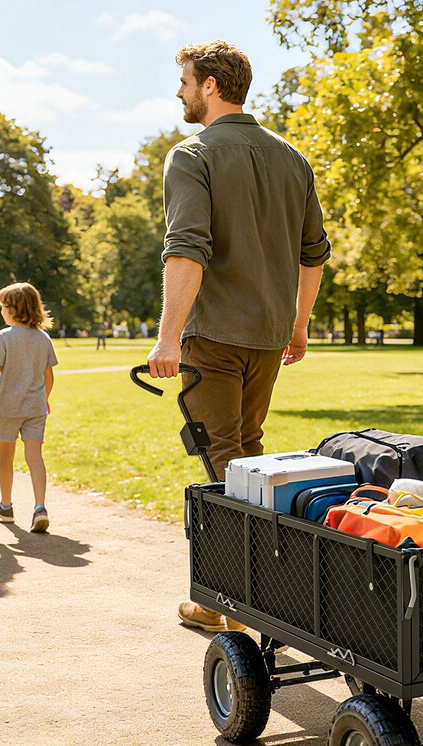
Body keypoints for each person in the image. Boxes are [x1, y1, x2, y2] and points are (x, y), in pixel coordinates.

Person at [147, 40, 331, 632]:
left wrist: (168, 337)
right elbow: (313, 254)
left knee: (224, 462)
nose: (178, 91)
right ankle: (243, 595)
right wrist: (298, 324)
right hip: (268, 337)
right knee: (248, 454)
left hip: (213, 338)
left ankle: (238, 603)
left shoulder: (191, 154)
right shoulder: (292, 158)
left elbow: (186, 249)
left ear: (209, 85)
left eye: (184, 81)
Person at [0, 282, 57, 533]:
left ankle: (5, 506)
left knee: (6, 456)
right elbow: (48, 376)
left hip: (8, 408)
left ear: (13, 309)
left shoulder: (3, 337)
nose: (1, 311)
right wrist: (44, 398)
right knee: (35, 457)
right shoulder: (43, 338)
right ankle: (40, 506)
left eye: (2, 307)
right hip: (35, 408)